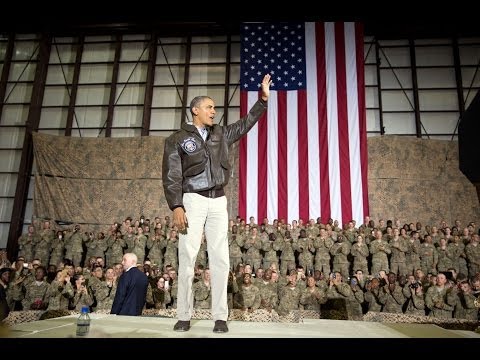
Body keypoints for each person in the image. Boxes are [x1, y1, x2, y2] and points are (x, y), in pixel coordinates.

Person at [162, 73, 272, 333]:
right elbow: (171, 175)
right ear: (195, 110)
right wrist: (176, 205)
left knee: (221, 259)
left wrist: (263, 101)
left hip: (218, 201)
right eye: (209, 107)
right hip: (192, 200)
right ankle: (184, 316)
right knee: (187, 257)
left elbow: (245, 124)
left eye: (214, 108)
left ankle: (220, 317)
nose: (214, 111)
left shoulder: (221, 134)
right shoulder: (177, 139)